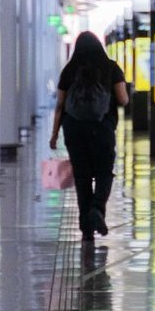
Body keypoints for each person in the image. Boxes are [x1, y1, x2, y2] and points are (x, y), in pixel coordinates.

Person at [49, 31, 130, 242]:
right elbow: (122, 99)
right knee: (104, 173)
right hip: (102, 128)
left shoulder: (69, 69)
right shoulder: (111, 67)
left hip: (74, 129)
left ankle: (86, 227)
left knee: (82, 176)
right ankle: (96, 209)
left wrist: (54, 134)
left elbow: (60, 105)